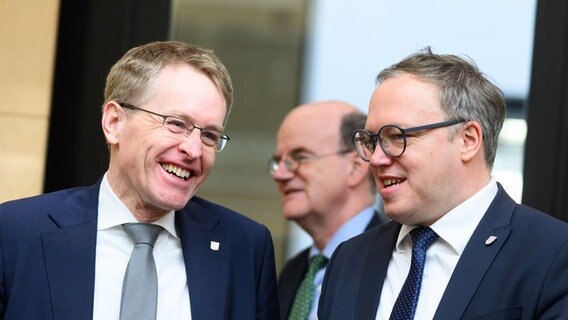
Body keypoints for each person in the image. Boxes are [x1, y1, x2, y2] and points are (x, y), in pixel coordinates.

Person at [0, 41, 279, 319]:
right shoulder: (16, 233)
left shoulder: (244, 248)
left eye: (209, 136)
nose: (193, 150)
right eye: (176, 124)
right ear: (114, 123)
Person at [318, 48, 568, 320]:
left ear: (468, 140)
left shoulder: (552, 254)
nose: (376, 159)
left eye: (396, 136)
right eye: (371, 140)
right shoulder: (350, 259)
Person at [269, 101, 387, 320]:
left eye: (300, 157)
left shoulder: (396, 261)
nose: (280, 174)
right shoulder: (293, 273)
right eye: (278, 161)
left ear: (355, 167)